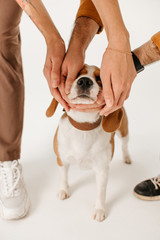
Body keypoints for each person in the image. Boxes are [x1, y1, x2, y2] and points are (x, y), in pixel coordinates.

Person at [0, 0, 144, 221]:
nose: (86, 82)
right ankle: (6, 159)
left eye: (94, 80)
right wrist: (52, 39)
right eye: (81, 78)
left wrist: (120, 44)